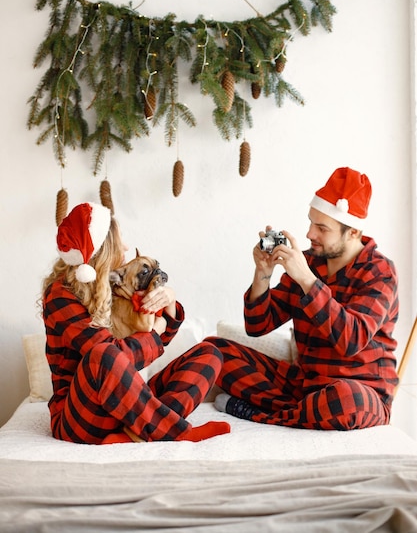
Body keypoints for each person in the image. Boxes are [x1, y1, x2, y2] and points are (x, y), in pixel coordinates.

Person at [208, 167, 399, 430]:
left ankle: (257, 413)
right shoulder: (309, 261)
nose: (310, 234)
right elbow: (257, 326)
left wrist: (308, 280)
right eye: (311, 222)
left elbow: (351, 340)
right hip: (305, 385)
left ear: (353, 232)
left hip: (360, 392)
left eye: (322, 228)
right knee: (215, 350)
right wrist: (262, 274)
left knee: (346, 400)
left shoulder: (379, 271)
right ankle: (301, 412)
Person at [42, 202, 230, 444]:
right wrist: (158, 329)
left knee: (210, 353)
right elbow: (114, 356)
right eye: (120, 241)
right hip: (81, 415)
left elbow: (151, 339)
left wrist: (168, 300)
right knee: (103, 355)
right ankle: (176, 432)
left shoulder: (111, 285)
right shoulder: (60, 295)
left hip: (126, 404)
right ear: (104, 250)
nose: (127, 247)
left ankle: (133, 433)